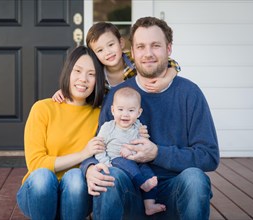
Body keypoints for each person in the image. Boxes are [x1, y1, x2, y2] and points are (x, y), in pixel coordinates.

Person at [81, 17, 220, 220]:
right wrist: (90, 168)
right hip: (130, 190)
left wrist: (157, 153)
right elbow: (99, 144)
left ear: (169, 49)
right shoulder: (117, 95)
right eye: (141, 47)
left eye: (156, 45)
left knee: (195, 179)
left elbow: (209, 156)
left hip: (175, 191)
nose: (148, 53)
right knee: (108, 175)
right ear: (133, 51)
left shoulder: (189, 93)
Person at [16, 46, 106, 220]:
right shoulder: (43, 108)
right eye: (77, 71)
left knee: (75, 177)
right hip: (37, 193)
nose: (83, 79)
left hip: (76, 194)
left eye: (91, 74)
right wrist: (83, 154)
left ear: (98, 80)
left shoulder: (100, 115)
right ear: (68, 72)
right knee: (42, 176)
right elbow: (36, 164)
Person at [52, 22, 181, 102]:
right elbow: (83, 86)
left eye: (111, 45)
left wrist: (166, 79)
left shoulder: (134, 59)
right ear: (94, 54)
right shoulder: (96, 72)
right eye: (100, 50)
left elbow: (172, 63)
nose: (108, 52)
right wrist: (66, 91)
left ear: (121, 43)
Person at [95, 86, 166, 216]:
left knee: (148, 172)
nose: (125, 114)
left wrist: (133, 151)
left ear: (138, 113)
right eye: (120, 109)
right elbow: (99, 148)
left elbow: (142, 147)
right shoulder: (108, 127)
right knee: (125, 163)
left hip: (136, 161)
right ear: (113, 110)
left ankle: (149, 205)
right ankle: (142, 184)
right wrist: (106, 163)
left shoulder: (139, 127)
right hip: (116, 161)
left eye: (131, 110)